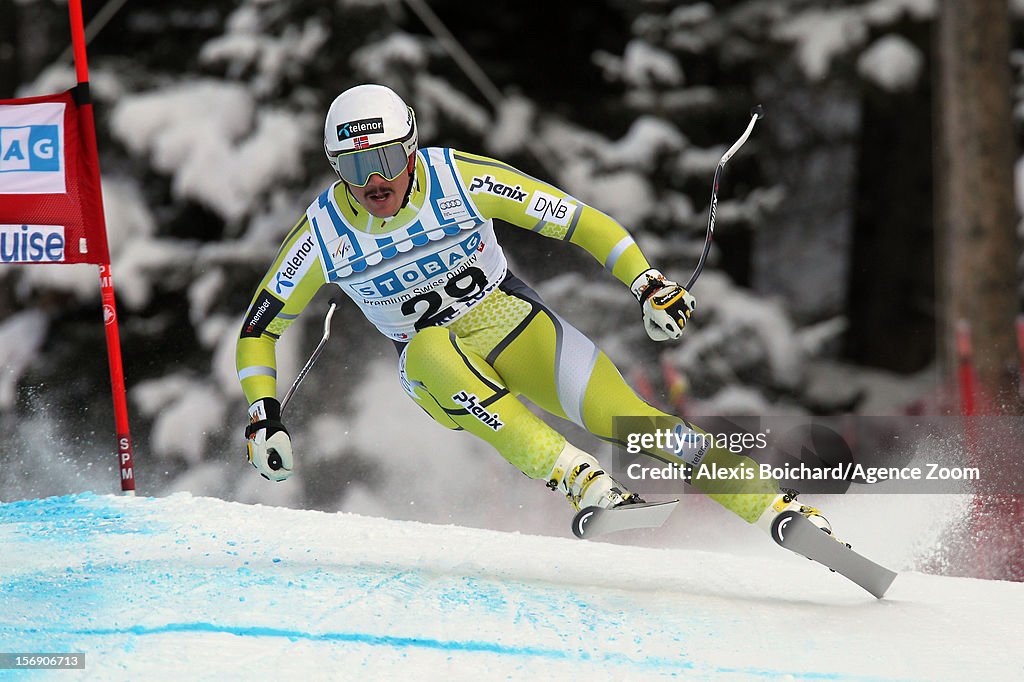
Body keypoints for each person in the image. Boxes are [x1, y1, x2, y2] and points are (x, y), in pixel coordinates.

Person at [236, 84, 832, 538]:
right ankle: (582, 481)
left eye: (386, 159)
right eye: (355, 167)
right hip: (436, 369)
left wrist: (648, 285)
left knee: (631, 420)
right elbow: (260, 330)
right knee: (428, 345)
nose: (375, 181)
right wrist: (264, 414)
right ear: (335, 167)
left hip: (512, 323)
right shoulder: (322, 234)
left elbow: (580, 221)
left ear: (411, 148)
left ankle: (777, 508)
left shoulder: (458, 179)